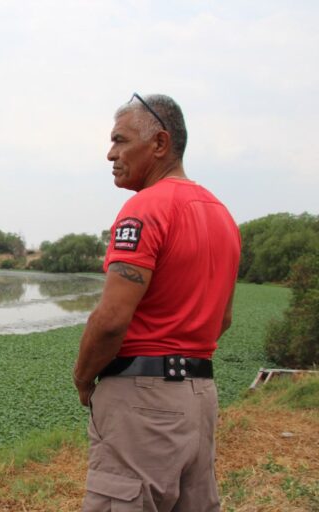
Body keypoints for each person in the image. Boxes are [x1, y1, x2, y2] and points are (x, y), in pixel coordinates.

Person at [72, 93, 240, 512]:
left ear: (160, 144)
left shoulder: (144, 208)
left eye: (120, 140)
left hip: (142, 400)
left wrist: (83, 378)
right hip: (200, 396)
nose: (111, 154)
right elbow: (222, 320)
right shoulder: (221, 215)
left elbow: (111, 319)